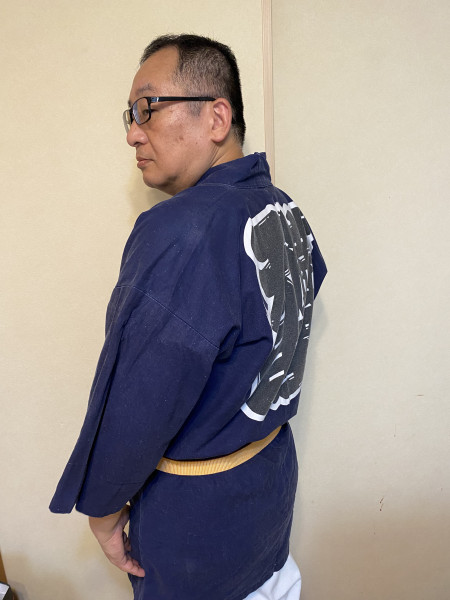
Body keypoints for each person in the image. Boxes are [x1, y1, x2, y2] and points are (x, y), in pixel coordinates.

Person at [50, 34, 326, 600]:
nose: (133, 132)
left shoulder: (182, 229)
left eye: (147, 107)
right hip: (268, 487)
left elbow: (139, 397)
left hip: (200, 526)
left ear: (217, 118)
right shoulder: (282, 207)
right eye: (130, 115)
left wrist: (104, 511)